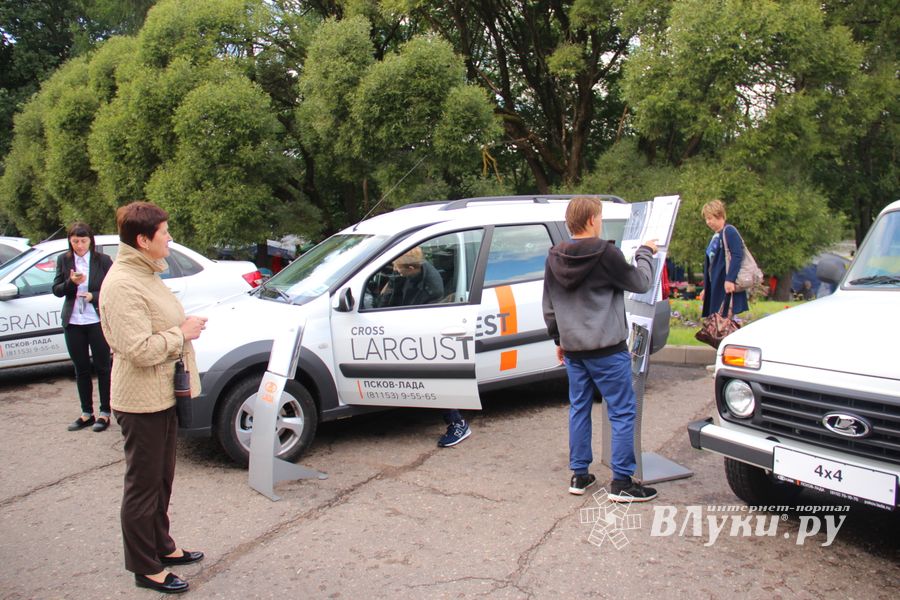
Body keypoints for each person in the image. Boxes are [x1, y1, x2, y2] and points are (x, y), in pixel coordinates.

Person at [100, 201, 208, 594]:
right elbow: (138, 348)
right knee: (143, 485)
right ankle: (145, 567)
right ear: (143, 241)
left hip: (160, 394)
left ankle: (162, 545)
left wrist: (180, 329)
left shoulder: (144, 272)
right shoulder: (123, 283)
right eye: (164, 233)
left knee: (161, 479)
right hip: (139, 401)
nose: (170, 238)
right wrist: (182, 332)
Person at [542, 196, 658, 502]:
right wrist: (646, 252)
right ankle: (621, 482)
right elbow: (641, 283)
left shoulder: (554, 256)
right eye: (601, 217)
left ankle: (579, 475)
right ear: (592, 220)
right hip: (607, 349)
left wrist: (559, 340)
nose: (601, 222)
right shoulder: (606, 253)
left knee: (579, 409)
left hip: (574, 350)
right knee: (621, 411)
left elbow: (550, 307)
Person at [378, 247, 471, 447]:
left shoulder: (432, 286)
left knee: (432, 379)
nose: (396, 271)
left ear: (411, 268)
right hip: (415, 330)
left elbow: (414, 310)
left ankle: (457, 422)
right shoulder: (414, 273)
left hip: (430, 332)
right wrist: (391, 285)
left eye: (398, 269)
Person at [53, 222, 114, 432]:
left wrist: (93, 296)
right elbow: (57, 290)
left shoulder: (102, 260)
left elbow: (112, 288)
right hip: (73, 321)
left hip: (96, 320)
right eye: (75, 241)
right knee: (81, 369)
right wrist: (72, 283)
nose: (79, 245)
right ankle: (86, 413)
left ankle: (105, 413)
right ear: (70, 241)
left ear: (91, 240)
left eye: (83, 241)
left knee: (103, 366)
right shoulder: (64, 260)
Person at [700, 200, 749, 318]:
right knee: (717, 321)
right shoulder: (716, 236)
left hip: (725, 285)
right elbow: (711, 264)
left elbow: (737, 255)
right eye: (706, 219)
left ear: (719, 215)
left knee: (725, 322)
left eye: (710, 218)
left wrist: (730, 279)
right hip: (716, 284)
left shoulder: (729, 231)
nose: (708, 222)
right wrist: (706, 288)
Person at [378, 246, 445, 307]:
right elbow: (390, 290)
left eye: (396, 267)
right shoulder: (402, 264)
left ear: (411, 268)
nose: (394, 269)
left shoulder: (432, 290)